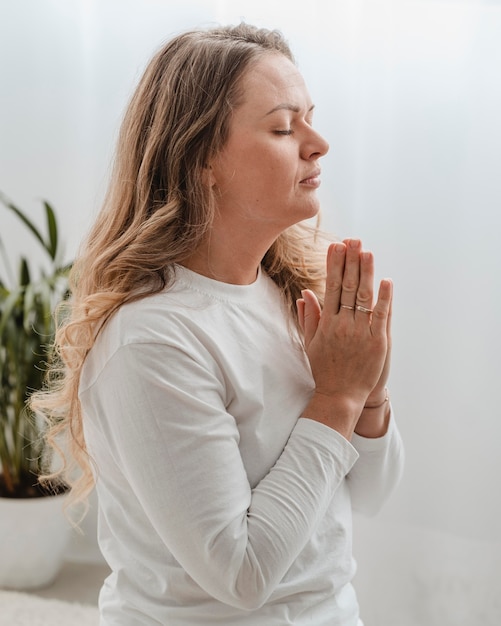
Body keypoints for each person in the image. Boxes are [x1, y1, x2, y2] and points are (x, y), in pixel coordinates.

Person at [34, 23, 404, 626]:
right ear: (202, 157)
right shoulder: (151, 340)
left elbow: (373, 494)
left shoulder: (290, 294)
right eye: (285, 127)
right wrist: (336, 396)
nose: (318, 143)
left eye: (311, 118)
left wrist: (368, 392)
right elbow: (242, 575)